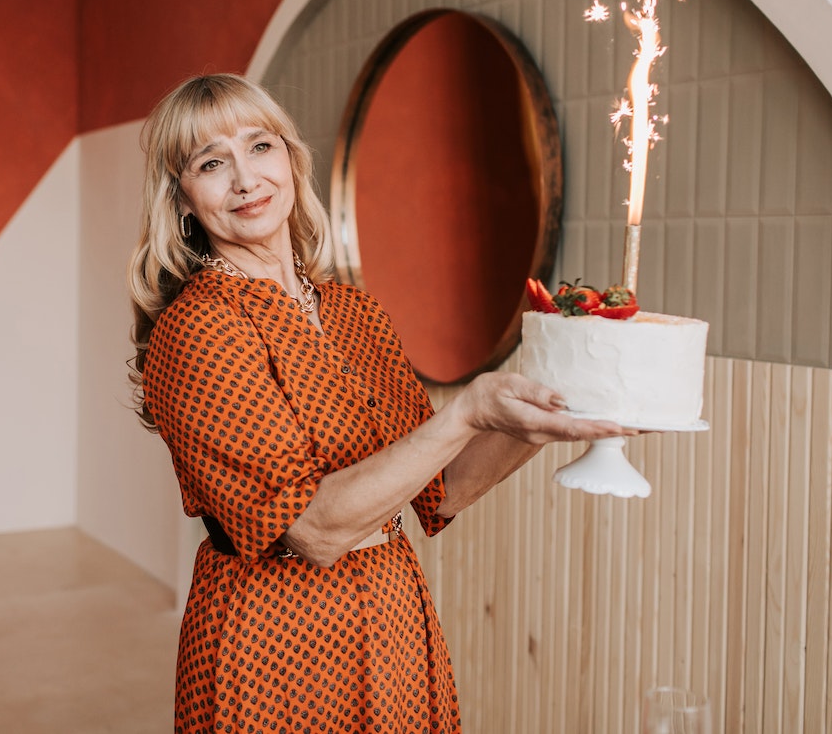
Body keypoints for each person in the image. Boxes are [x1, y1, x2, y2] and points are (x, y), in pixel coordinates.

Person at [128, 73, 632, 733]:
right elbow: (311, 530)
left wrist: (544, 416)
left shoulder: (354, 312)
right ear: (184, 199)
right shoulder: (198, 330)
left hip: (390, 615)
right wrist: (465, 412)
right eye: (211, 163)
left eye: (259, 147)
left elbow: (438, 490)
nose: (245, 179)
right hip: (272, 642)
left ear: (289, 159)